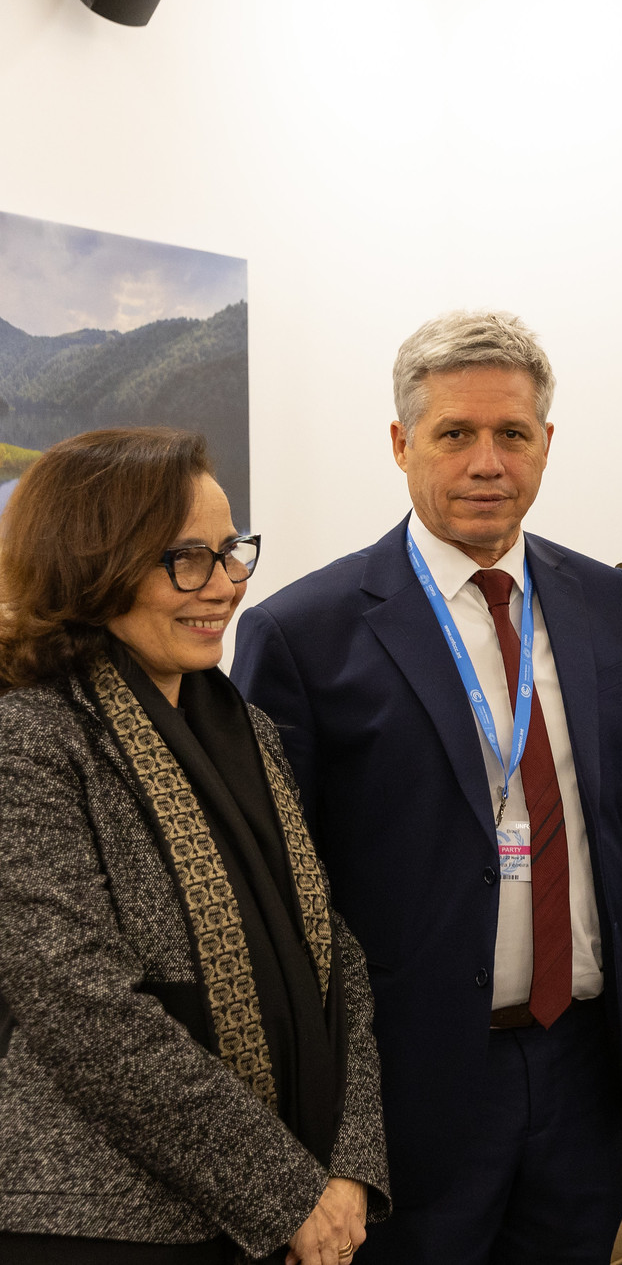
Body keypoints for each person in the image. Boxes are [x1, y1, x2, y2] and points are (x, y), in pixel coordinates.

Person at [231, 313, 622, 1264]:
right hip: (404, 1079)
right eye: (455, 435)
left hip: (578, 1063)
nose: (487, 462)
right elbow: (273, 897)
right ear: (401, 445)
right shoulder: (303, 633)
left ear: (547, 444)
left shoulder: (607, 605)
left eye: (512, 434)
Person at [0, 428, 387, 1264]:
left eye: (230, 552)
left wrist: (351, 1162)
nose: (226, 585)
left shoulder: (240, 722)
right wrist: (287, 1191)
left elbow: (331, 948)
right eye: (187, 558)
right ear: (92, 563)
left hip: (294, 1192)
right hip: (105, 1221)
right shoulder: (28, 736)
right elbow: (84, 1013)